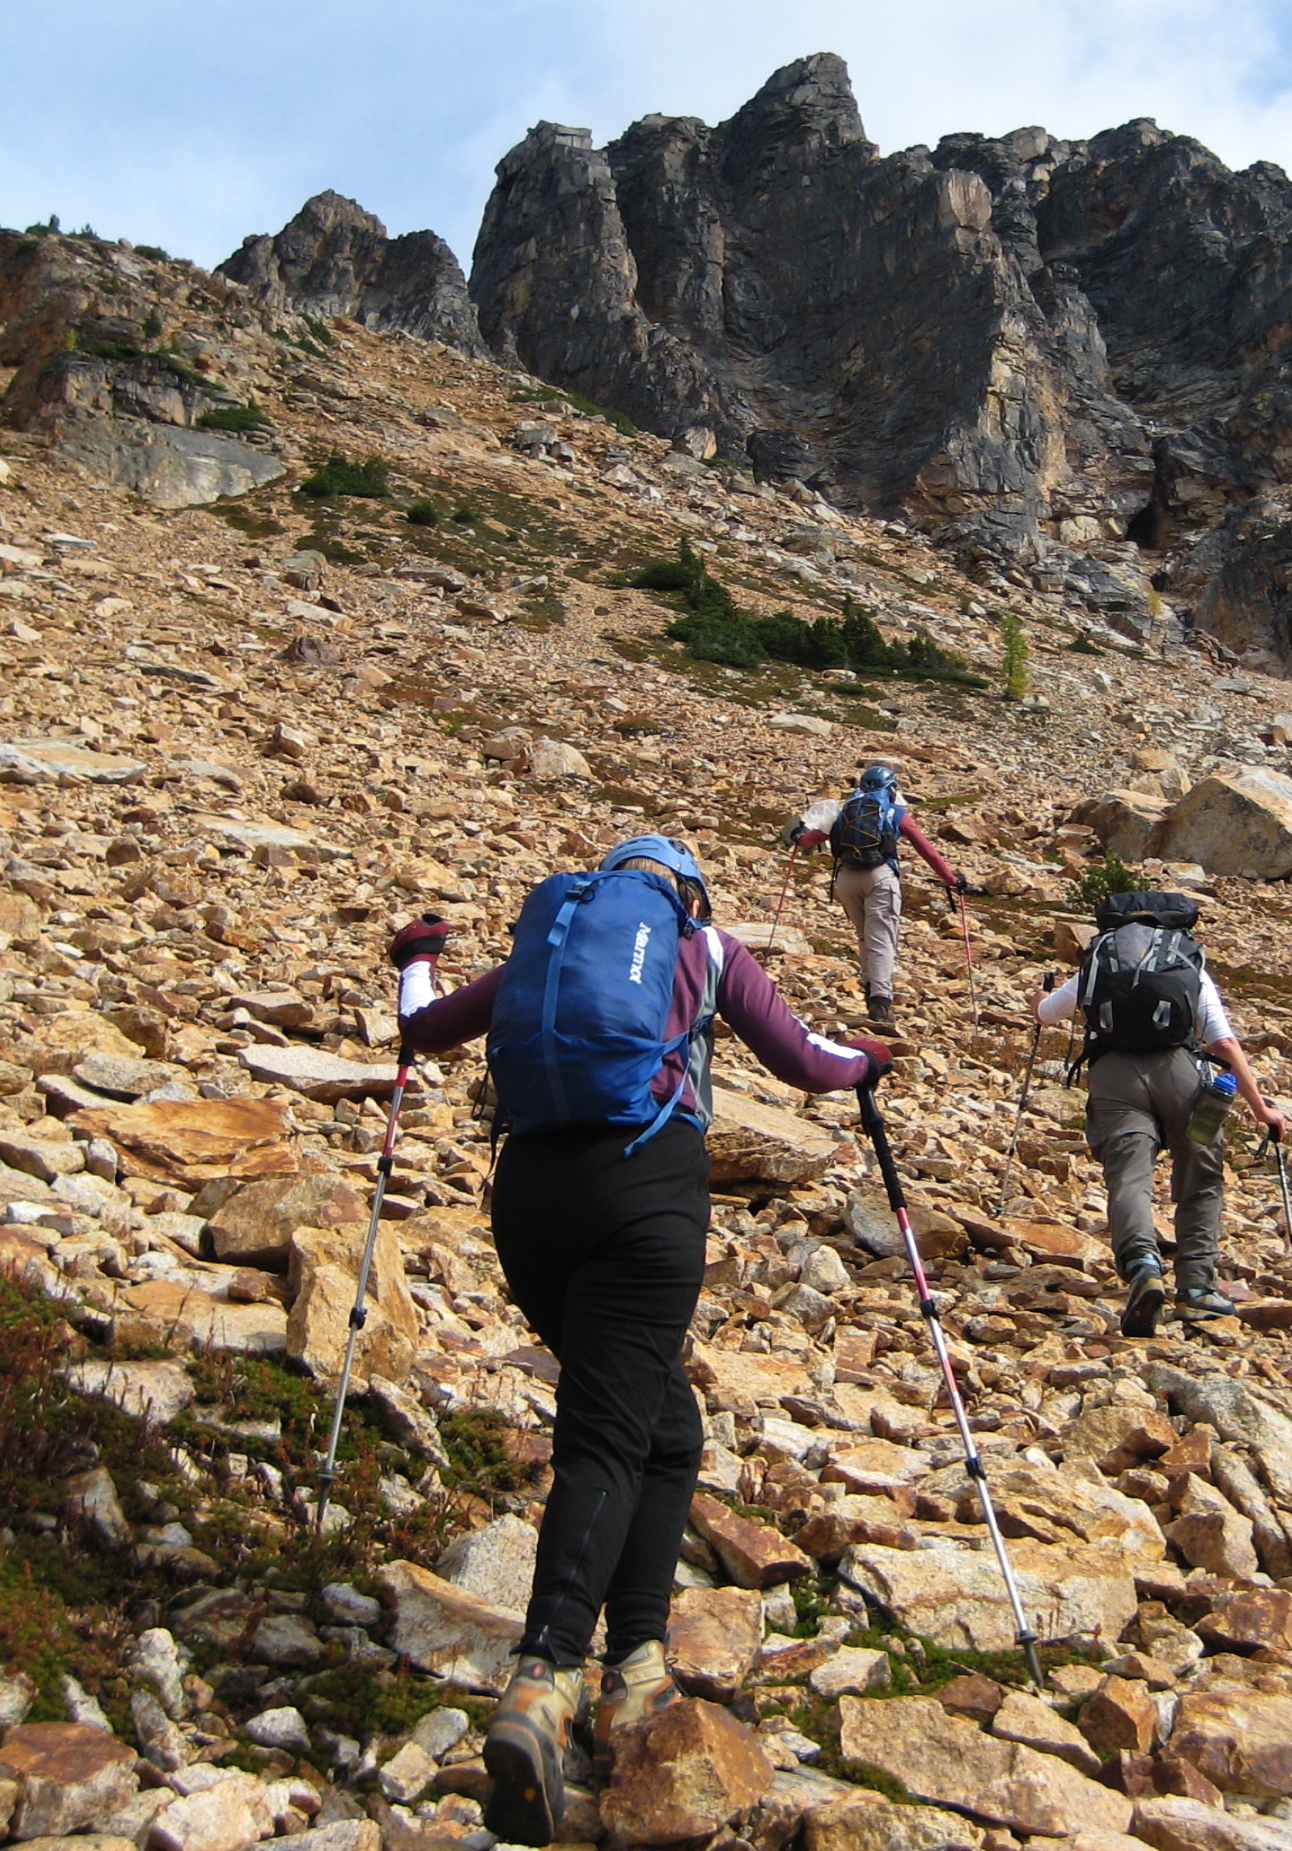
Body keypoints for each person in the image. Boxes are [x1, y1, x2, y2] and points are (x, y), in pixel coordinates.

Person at [388, 837, 889, 1846]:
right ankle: (545, 1680)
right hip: (643, 1196)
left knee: (663, 1423)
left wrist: (415, 955)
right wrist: (870, 1061)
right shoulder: (701, 945)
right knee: (611, 1435)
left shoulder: (548, 946)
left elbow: (422, 1030)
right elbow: (808, 1061)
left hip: (527, 1206)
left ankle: (638, 1667)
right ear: (685, 892)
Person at [1032, 910, 1285, 1338]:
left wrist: (1034, 999)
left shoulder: (1100, 961)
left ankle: (1143, 1266)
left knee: (1129, 1177)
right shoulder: (1185, 961)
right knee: (1201, 1179)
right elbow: (1221, 1041)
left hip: (1113, 1075)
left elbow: (1048, 1015)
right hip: (1180, 1075)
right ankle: (1196, 1288)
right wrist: (1262, 1109)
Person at [782, 762, 964, 1029]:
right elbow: (928, 851)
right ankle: (880, 1003)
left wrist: (798, 836)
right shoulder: (895, 812)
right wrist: (952, 880)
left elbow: (811, 839)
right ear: (890, 788)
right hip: (880, 877)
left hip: (846, 879)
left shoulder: (845, 810)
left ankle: (871, 995)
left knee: (865, 936)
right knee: (882, 938)